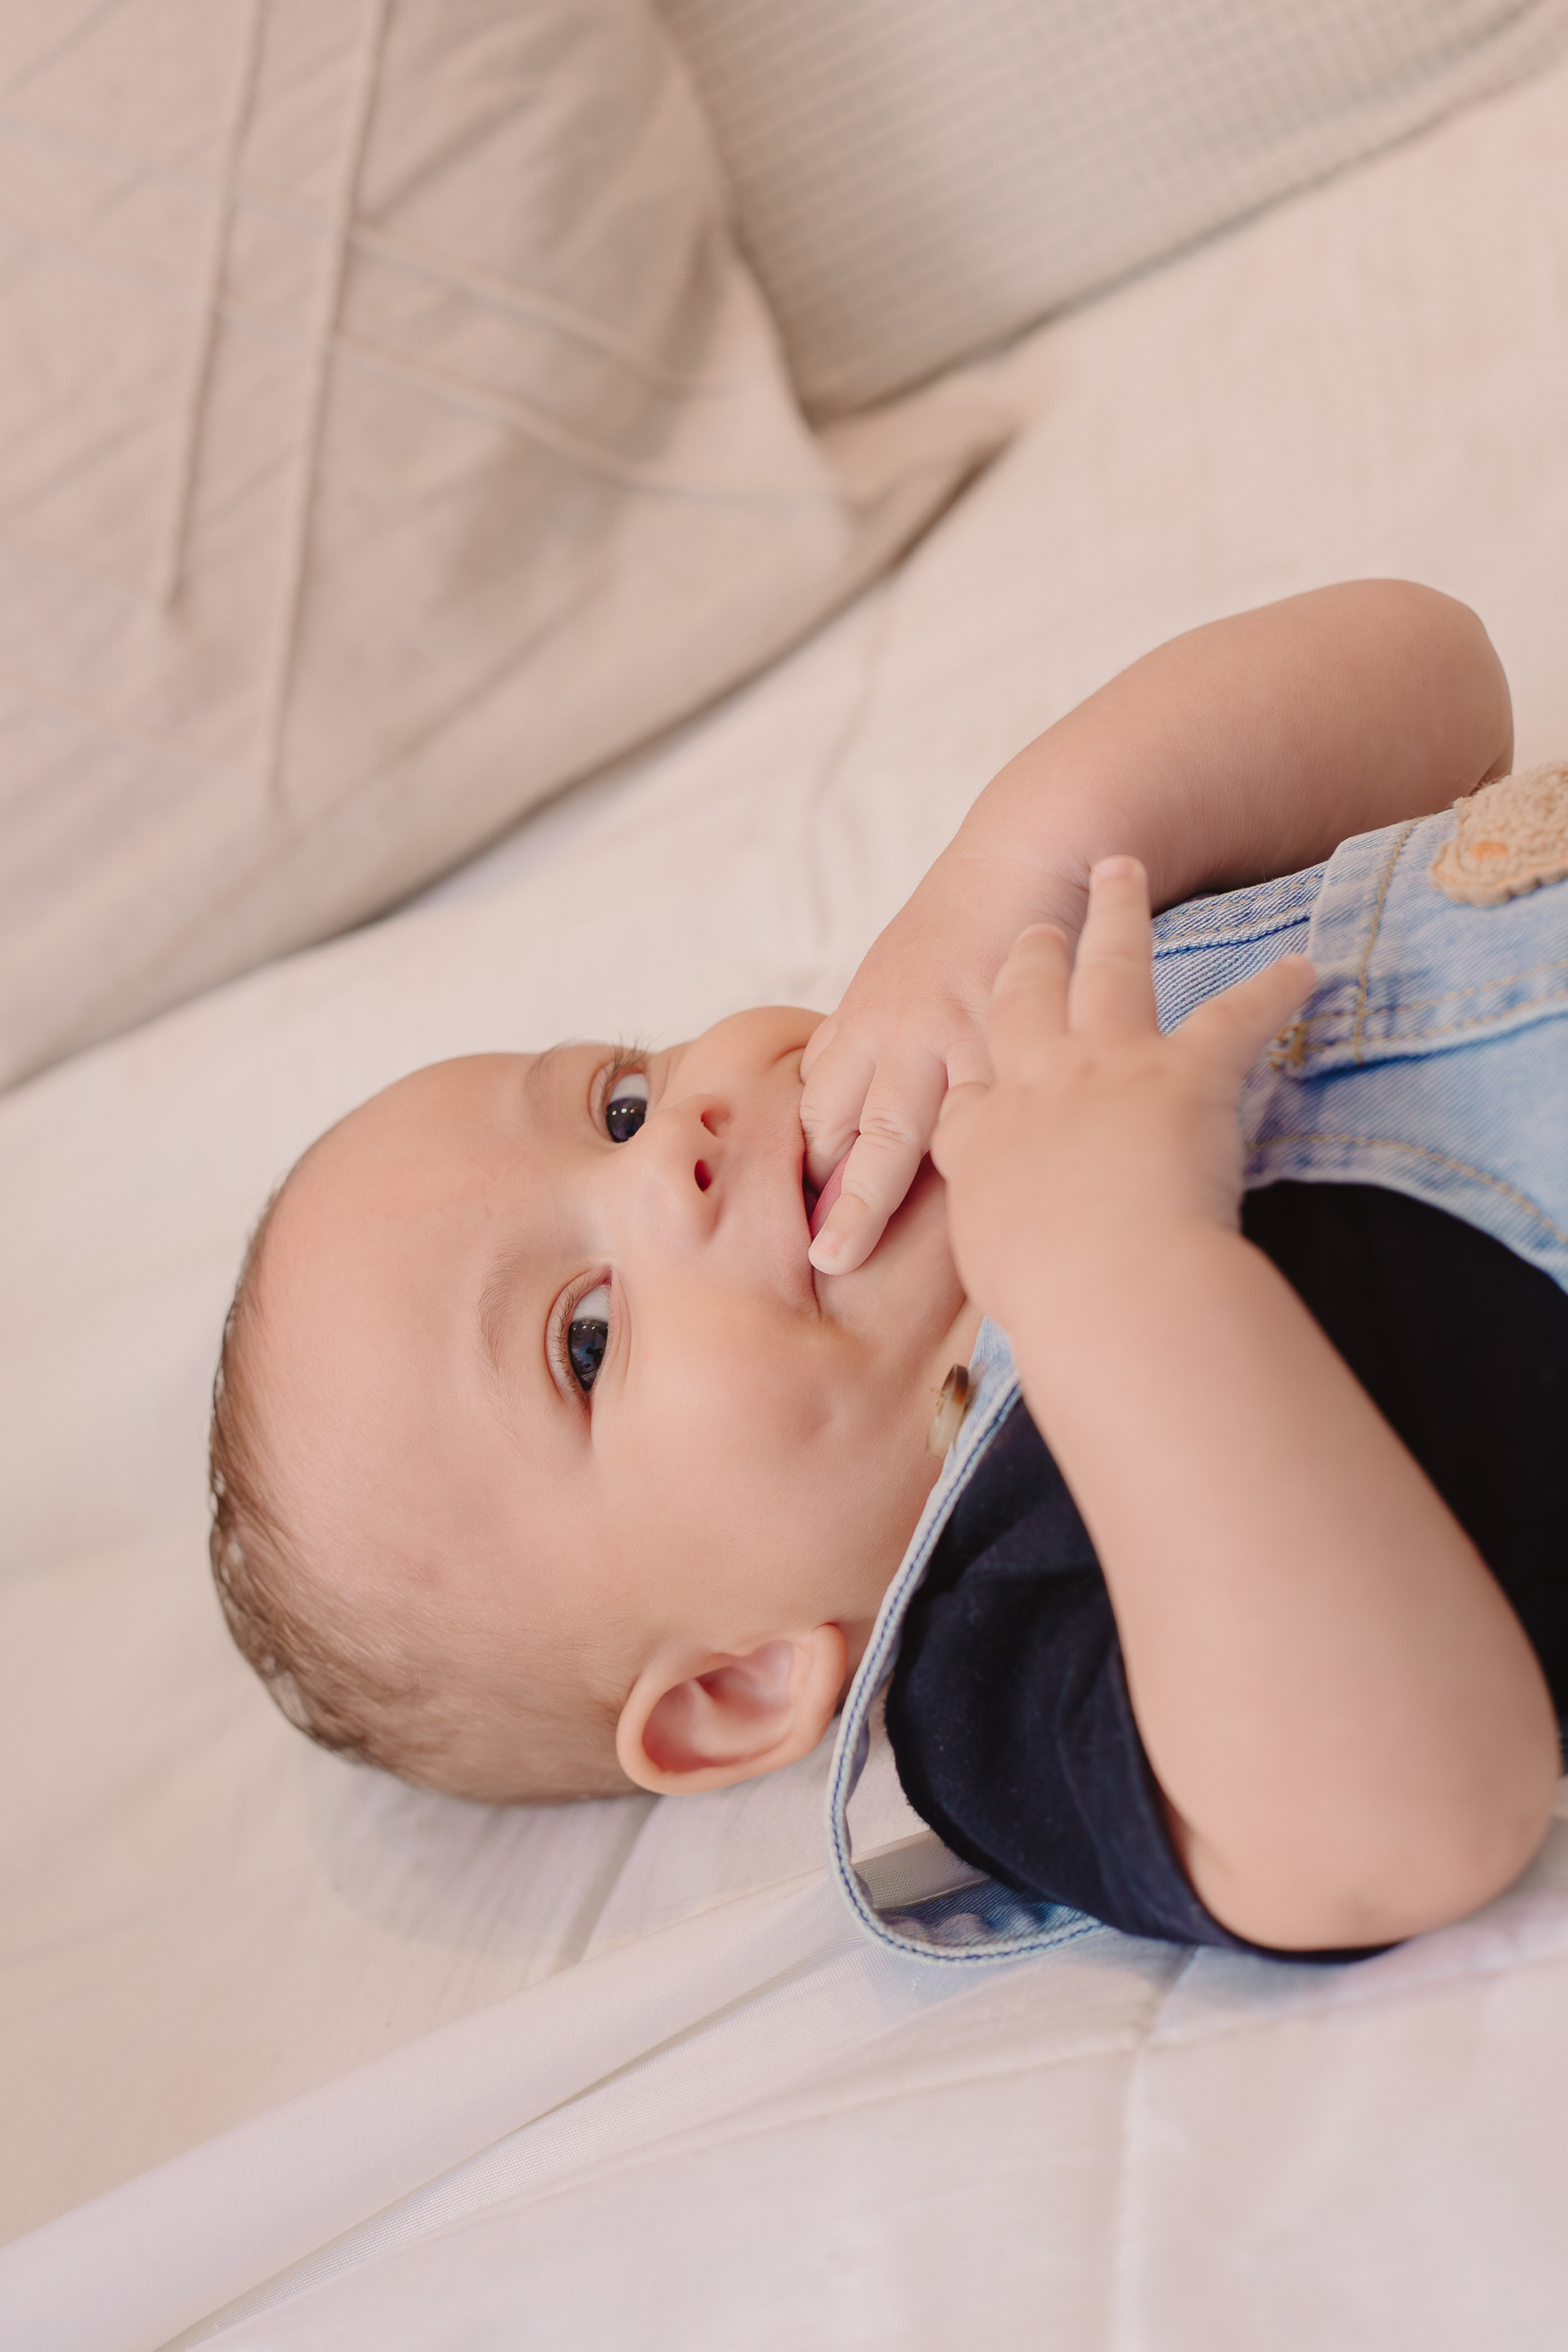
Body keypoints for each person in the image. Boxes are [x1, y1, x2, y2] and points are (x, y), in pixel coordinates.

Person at [209, 580, 1568, 1962]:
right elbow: (1411, 1827)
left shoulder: (1037, 983)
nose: (673, 1152)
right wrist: (1121, 1273)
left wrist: (1021, 861)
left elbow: (1441, 684)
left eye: (619, 1105)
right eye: (588, 1338)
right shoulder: (1001, 1654)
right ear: (743, 1681)